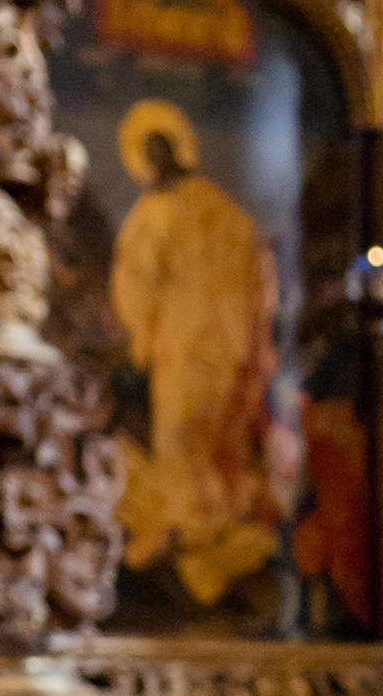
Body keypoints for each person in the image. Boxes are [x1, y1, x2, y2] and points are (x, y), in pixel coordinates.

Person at [108, 101, 280, 608]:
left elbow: (135, 284)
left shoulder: (157, 213)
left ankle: (195, 542)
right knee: (214, 446)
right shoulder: (230, 213)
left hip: (185, 349)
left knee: (187, 446)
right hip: (228, 349)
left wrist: (140, 337)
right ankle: (206, 542)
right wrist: (252, 344)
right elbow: (261, 285)